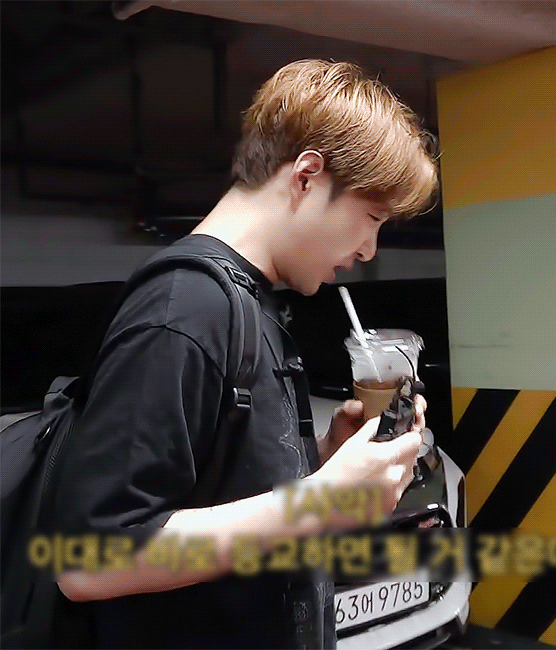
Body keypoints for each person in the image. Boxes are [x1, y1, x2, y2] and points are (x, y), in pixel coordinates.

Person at [53, 59, 438, 649]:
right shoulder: (185, 306)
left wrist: (322, 458)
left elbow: (220, 492)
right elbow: (88, 561)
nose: (369, 249)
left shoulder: (246, 300)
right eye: (371, 218)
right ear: (306, 177)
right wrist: (322, 501)